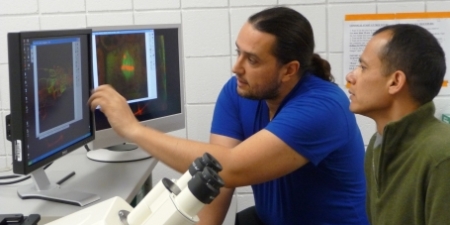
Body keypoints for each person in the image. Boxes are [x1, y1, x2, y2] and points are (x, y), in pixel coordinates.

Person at [89, 6, 369, 225]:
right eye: (239, 53)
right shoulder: (239, 91)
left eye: (253, 60)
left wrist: (132, 128)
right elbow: (215, 177)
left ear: (289, 70)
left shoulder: (323, 107)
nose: (236, 67)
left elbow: (232, 168)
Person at [346, 24, 450, 225]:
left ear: (395, 82)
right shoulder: (378, 144)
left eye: (363, 67)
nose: (351, 76)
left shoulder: (442, 155)